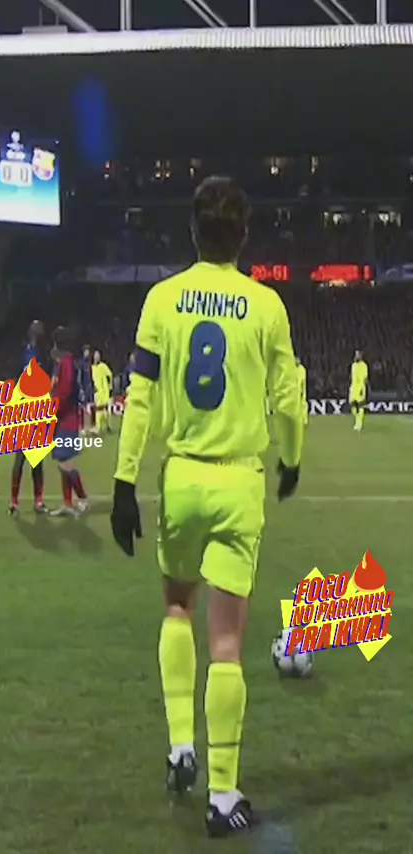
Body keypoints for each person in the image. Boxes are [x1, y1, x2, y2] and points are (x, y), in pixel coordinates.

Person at [110, 176, 303, 838]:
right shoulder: (266, 305)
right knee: (226, 642)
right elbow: (288, 397)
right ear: (243, 235)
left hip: (183, 479)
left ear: (192, 232)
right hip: (239, 482)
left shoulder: (162, 300)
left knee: (175, 607)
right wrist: (292, 457)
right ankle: (223, 795)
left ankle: (179, 747)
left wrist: (124, 482)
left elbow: (139, 397)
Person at [9, 320, 48, 516]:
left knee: (36, 461)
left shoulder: (40, 355)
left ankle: (37, 501)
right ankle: (15, 502)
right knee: (21, 460)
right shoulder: (23, 355)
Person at [50, 326, 88, 517]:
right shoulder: (65, 362)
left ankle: (82, 498)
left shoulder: (66, 363)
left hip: (67, 418)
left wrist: (53, 409)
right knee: (62, 460)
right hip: (64, 418)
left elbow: (65, 391)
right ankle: (67, 503)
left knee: (65, 463)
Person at [92, 349, 113, 433]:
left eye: (98, 356)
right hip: (96, 391)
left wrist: (110, 386)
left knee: (102, 409)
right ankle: (105, 426)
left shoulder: (103, 366)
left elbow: (110, 375)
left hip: (104, 391)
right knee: (100, 410)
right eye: (96, 355)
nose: (97, 357)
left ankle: (101, 427)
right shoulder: (92, 368)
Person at [349, 349, 369, 432]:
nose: (356, 356)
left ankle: (359, 424)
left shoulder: (364, 365)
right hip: (353, 388)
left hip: (360, 388)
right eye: (355, 355)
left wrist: (362, 388)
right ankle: (357, 421)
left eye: (358, 355)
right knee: (352, 405)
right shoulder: (353, 365)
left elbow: (365, 378)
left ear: (361, 356)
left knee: (360, 406)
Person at [79, 344, 95, 435]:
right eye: (86, 351)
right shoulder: (82, 364)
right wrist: (81, 388)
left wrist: (93, 386)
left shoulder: (89, 363)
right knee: (83, 407)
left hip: (90, 387)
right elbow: (80, 377)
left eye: (88, 351)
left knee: (92, 406)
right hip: (84, 387)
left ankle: (92, 426)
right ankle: (82, 427)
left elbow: (91, 376)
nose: (87, 353)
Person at [296, 355, 308, 426]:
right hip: (295, 390)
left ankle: (304, 420)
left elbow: (303, 381)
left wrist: (302, 391)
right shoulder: (293, 369)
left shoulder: (302, 369)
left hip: (300, 390)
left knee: (303, 405)